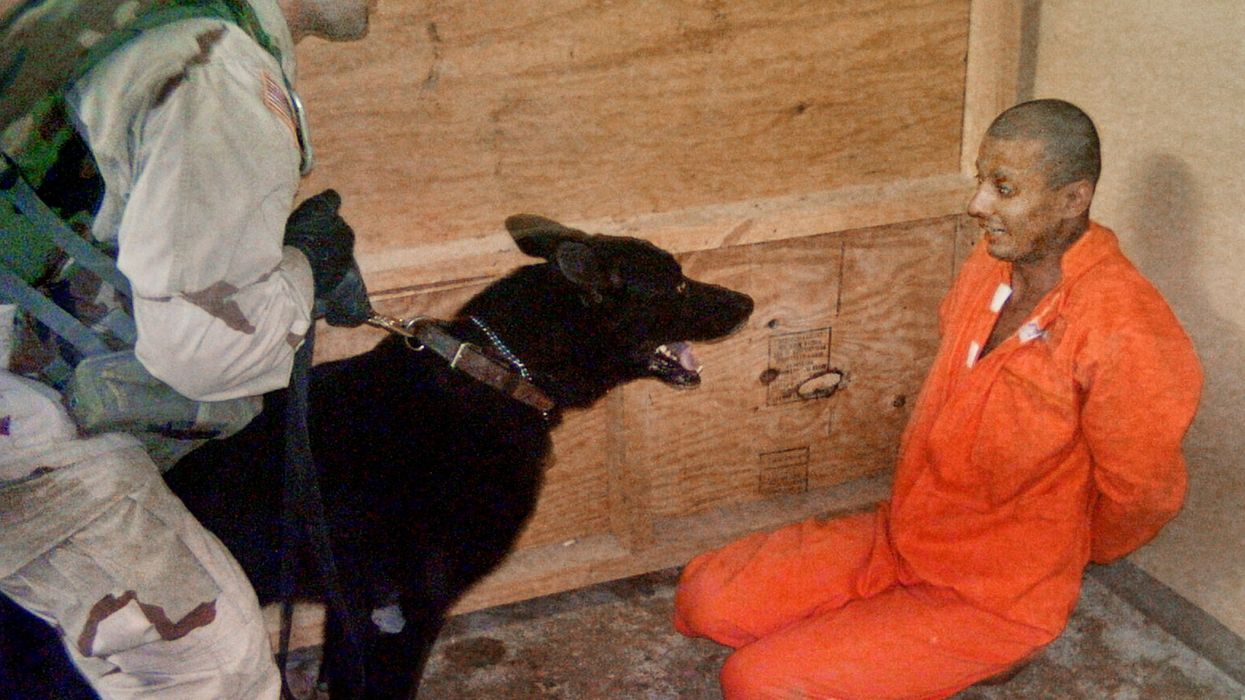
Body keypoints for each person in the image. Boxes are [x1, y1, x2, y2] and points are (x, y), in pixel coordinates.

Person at [673, 99, 1203, 699]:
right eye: (982, 180)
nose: (978, 204)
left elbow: (1144, 496)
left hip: (994, 594)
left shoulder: (1128, 326)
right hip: (906, 533)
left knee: (753, 682)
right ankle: (881, 628)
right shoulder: (991, 263)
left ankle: (1001, 643)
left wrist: (1054, 559)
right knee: (703, 599)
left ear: (1072, 199)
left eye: (1004, 189)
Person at [0, 0, 377, 697]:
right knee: (212, 667)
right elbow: (203, 352)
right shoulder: (211, 65)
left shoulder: (107, 17)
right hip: (20, 420)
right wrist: (306, 267)